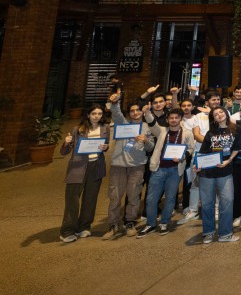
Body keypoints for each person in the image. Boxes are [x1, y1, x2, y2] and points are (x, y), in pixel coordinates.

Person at [138, 108, 196, 237]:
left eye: (176, 117)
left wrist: (182, 156)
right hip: (158, 169)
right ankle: (150, 223)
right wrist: (147, 113)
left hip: (175, 170)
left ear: (180, 119)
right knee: (151, 198)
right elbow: (152, 123)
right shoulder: (162, 131)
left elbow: (191, 148)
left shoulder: (187, 133)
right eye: (171, 118)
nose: (173, 120)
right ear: (167, 119)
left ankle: (164, 223)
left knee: (170, 198)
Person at [103, 93, 153, 239]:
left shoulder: (147, 127)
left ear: (142, 112)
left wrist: (146, 141)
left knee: (134, 196)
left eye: (138, 110)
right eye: (132, 111)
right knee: (115, 196)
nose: (135, 113)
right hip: (118, 165)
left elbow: (151, 147)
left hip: (137, 166)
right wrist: (115, 103)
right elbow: (117, 113)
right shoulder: (123, 124)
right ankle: (113, 225)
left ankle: (130, 222)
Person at [59, 105, 111, 242]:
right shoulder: (78, 129)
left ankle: (84, 227)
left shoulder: (105, 128)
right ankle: (67, 230)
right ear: (88, 115)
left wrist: (106, 147)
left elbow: (105, 146)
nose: (97, 116)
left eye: (99, 113)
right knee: (72, 200)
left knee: (90, 199)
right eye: (94, 113)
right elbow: (64, 152)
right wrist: (67, 143)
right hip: (78, 168)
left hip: (96, 167)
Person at [194, 107, 241, 244]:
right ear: (213, 118)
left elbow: (237, 148)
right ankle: (208, 233)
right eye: (215, 114)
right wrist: (197, 165)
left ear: (226, 113)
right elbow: (203, 152)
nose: (219, 115)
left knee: (227, 201)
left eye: (221, 112)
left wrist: (229, 160)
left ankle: (225, 234)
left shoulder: (236, 129)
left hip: (225, 171)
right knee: (207, 203)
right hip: (207, 172)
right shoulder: (210, 132)